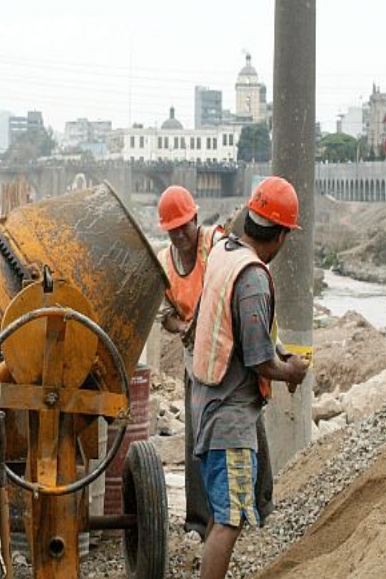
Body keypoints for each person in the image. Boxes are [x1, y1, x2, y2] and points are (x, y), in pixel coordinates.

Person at [190, 176, 310, 579]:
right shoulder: (254, 276)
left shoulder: (225, 252)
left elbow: (240, 332)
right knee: (231, 518)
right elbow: (259, 360)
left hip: (206, 404)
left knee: (221, 512)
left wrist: (276, 354)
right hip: (230, 418)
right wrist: (289, 369)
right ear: (278, 235)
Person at [155, 185, 225, 538]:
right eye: (173, 229)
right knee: (197, 435)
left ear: (196, 218)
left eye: (185, 225)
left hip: (228, 354)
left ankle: (256, 502)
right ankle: (199, 520)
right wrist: (184, 325)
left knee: (242, 426)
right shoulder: (165, 262)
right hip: (193, 356)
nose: (180, 234)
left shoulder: (215, 244)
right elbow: (164, 316)